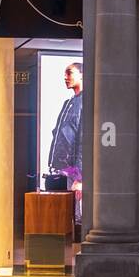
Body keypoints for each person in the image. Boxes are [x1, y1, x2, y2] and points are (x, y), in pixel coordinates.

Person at [47, 62, 84, 223]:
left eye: (69, 73)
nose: (65, 77)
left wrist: (80, 177)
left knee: (78, 213)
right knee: (71, 212)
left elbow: (84, 140)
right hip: (68, 168)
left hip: (76, 169)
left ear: (82, 75)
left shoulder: (85, 103)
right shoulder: (69, 103)